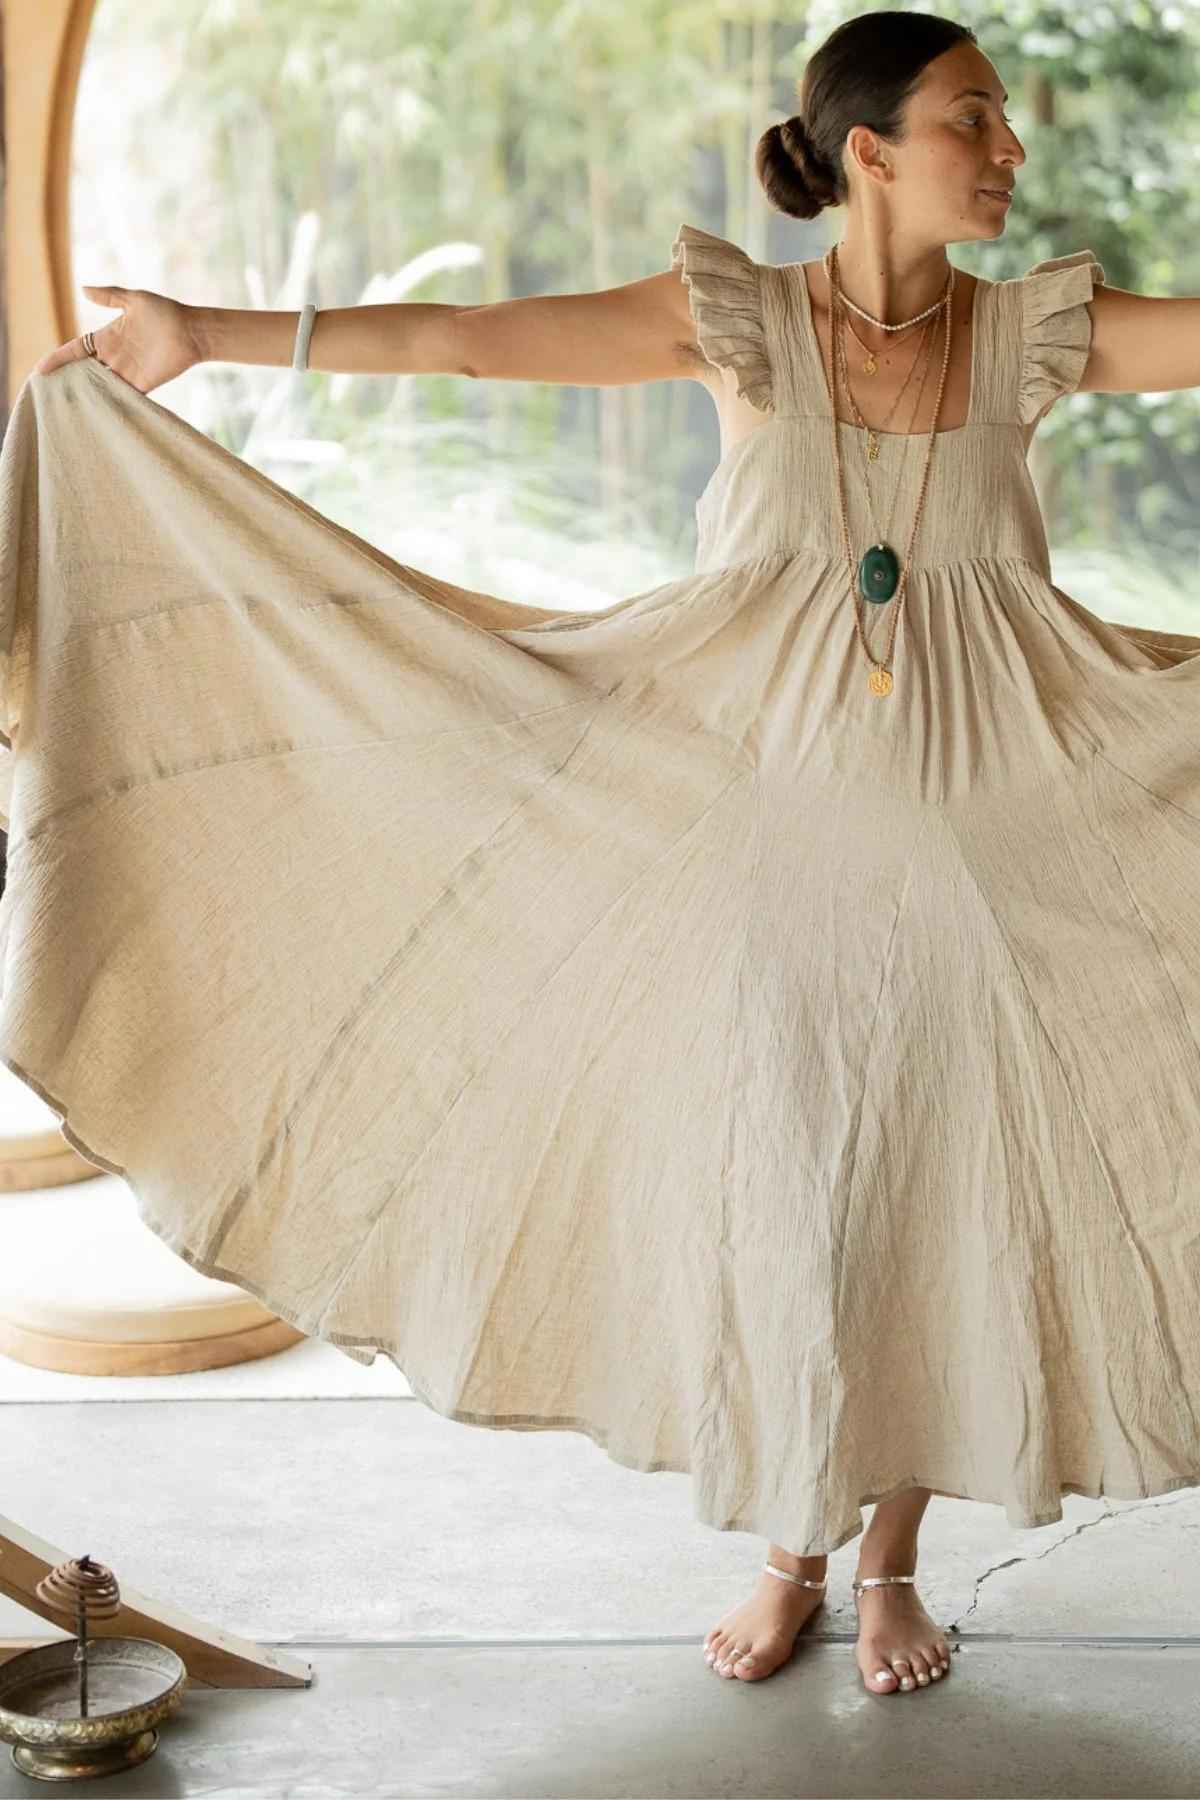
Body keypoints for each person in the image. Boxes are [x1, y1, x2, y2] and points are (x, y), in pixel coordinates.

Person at [12, 7, 1200, 1701]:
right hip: (750, 840)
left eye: (1003, 127)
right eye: (975, 120)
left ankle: (891, 1565)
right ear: (869, 153)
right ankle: (793, 1544)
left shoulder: (1033, 339)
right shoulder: (735, 322)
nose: (1010, 151)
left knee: (949, 1189)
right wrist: (211, 328)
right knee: (794, 1189)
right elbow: (472, 343)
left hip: (992, 854)